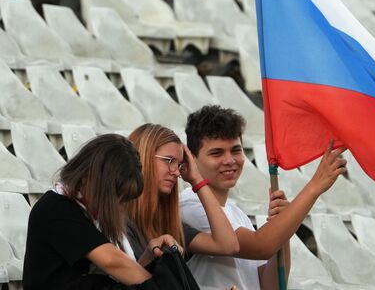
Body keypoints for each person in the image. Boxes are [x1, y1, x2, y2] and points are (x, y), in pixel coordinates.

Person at [180, 105, 347, 290]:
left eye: (235, 150)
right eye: (216, 153)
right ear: (191, 158)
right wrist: (315, 186)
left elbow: (270, 285)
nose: (229, 160)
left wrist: (282, 228)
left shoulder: (237, 213)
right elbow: (261, 246)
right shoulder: (190, 206)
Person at [23, 134, 183, 290]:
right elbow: (113, 263)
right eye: (116, 197)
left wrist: (149, 255)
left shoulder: (83, 208)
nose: (119, 206)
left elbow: (122, 274)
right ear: (98, 182)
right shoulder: (57, 209)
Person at [126, 123, 239, 260]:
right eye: (168, 160)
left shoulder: (165, 221)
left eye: (179, 164)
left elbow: (228, 246)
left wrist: (196, 179)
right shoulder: (118, 218)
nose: (176, 172)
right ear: (142, 157)